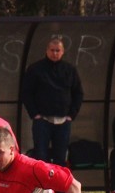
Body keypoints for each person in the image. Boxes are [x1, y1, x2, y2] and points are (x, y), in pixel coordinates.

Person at [21, 36, 84, 168]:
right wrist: (35, 114)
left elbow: (78, 93)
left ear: (63, 52)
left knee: (60, 158)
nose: (55, 53)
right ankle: (42, 188)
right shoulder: (35, 69)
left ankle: (59, 188)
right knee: (41, 157)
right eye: (52, 50)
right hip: (42, 120)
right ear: (47, 50)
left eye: (58, 50)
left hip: (63, 121)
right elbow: (26, 93)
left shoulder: (69, 70)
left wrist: (71, 115)